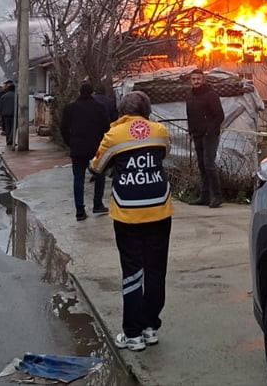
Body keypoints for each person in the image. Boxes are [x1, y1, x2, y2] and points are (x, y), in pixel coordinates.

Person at [91, 91, 172, 352]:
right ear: (147, 109)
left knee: (132, 271)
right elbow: (162, 154)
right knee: (156, 270)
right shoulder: (160, 131)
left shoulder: (113, 135)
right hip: (159, 209)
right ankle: (151, 328)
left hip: (128, 212)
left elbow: (97, 167)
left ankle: (133, 334)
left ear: (121, 111)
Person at [60, 84, 111, 221]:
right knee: (100, 174)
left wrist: (70, 143)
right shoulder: (99, 108)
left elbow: (63, 128)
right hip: (96, 147)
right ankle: (97, 204)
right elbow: (107, 128)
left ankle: (80, 211)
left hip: (77, 147)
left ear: (79, 92)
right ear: (92, 93)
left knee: (78, 178)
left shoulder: (70, 108)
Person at [185, 69, 225, 208]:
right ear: (191, 80)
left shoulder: (211, 95)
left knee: (209, 164)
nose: (196, 81)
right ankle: (205, 196)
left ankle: (217, 196)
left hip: (210, 136)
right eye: (193, 79)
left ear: (203, 80)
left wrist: (210, 131)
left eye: (198, 79)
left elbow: (219, 115)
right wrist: (191, 131)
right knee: (202, 165)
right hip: (197, 134)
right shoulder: (190, 96)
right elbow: (190, 115)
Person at [0, 82, 17, 147]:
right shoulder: (17, 96)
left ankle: (8, 141)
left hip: (5, 115)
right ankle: (11, 140)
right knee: (13, 129)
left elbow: (0, 107)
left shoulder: (3, 96)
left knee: (7, 129)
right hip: (14, 115)